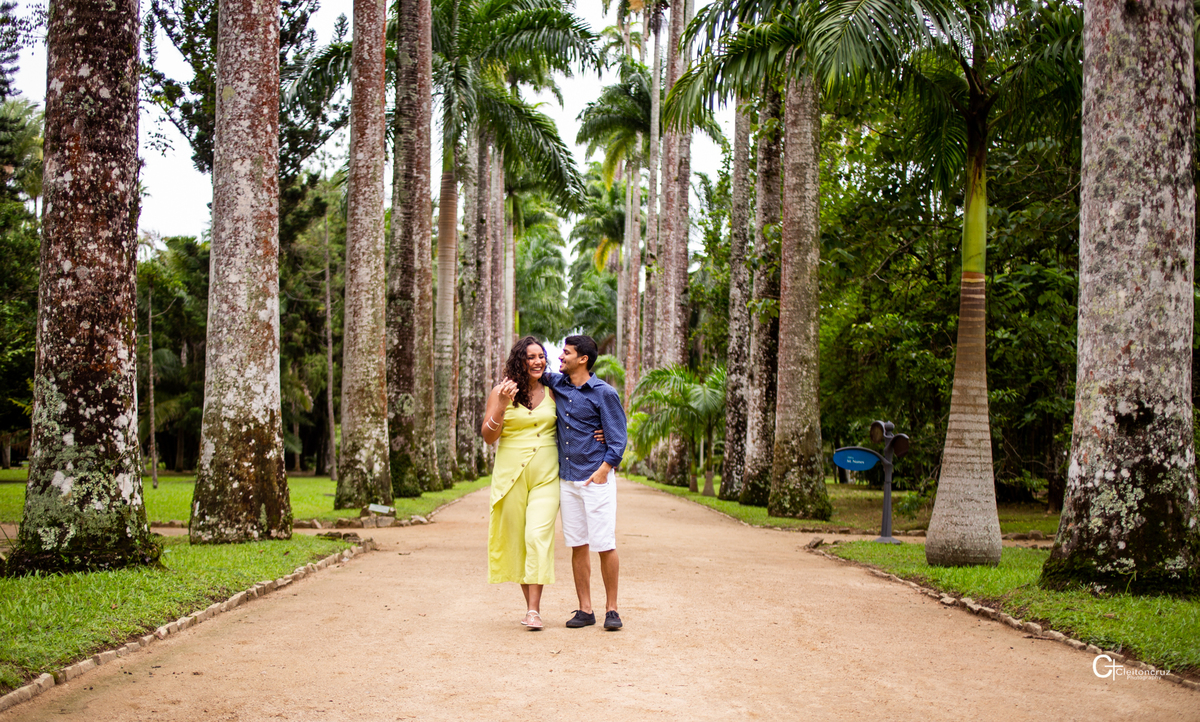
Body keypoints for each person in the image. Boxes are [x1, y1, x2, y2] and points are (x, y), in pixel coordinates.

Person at [480, 336, 604, 631]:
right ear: (519, 361)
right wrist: (500, 406)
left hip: (547, 475)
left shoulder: (554, 389)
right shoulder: (501, 391)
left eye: (541, 356)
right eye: (531, 357)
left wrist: (600, 431)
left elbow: (582, 409)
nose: (538, 361)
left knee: (537, 535)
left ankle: (534, 610)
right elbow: (488, 436)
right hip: (510, 476)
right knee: (519, 540)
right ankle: (531, 609)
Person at [540, 334, 628, 631]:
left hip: (595, 478)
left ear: (583, 359)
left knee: (605, 544)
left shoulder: (604, 393)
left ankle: (612, 609)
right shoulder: (558, 384)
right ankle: (585, 609)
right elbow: (531, 371)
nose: (559, 357)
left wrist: (604, 470)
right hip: (567, 480)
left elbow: (618, 439)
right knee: (578, 544)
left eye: (565, 353)